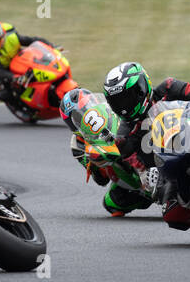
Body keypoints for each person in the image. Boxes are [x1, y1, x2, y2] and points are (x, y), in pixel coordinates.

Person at [60, 89, 151, 217]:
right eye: (75, 118)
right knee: (112, 202)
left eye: (84, 110)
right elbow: (101, 180)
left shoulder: (111, 111)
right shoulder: (78, 146)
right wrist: (95, 161)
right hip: (121, 170)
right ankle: (145, 193)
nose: (81, 119)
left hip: (137, 142)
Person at [0, 20, 56, 106]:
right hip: (0, 68)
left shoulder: (12, 37)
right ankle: (20, 107)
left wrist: (51, 46)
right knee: (5, 95)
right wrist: (14, 77)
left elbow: (32, 41)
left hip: (18, 59)